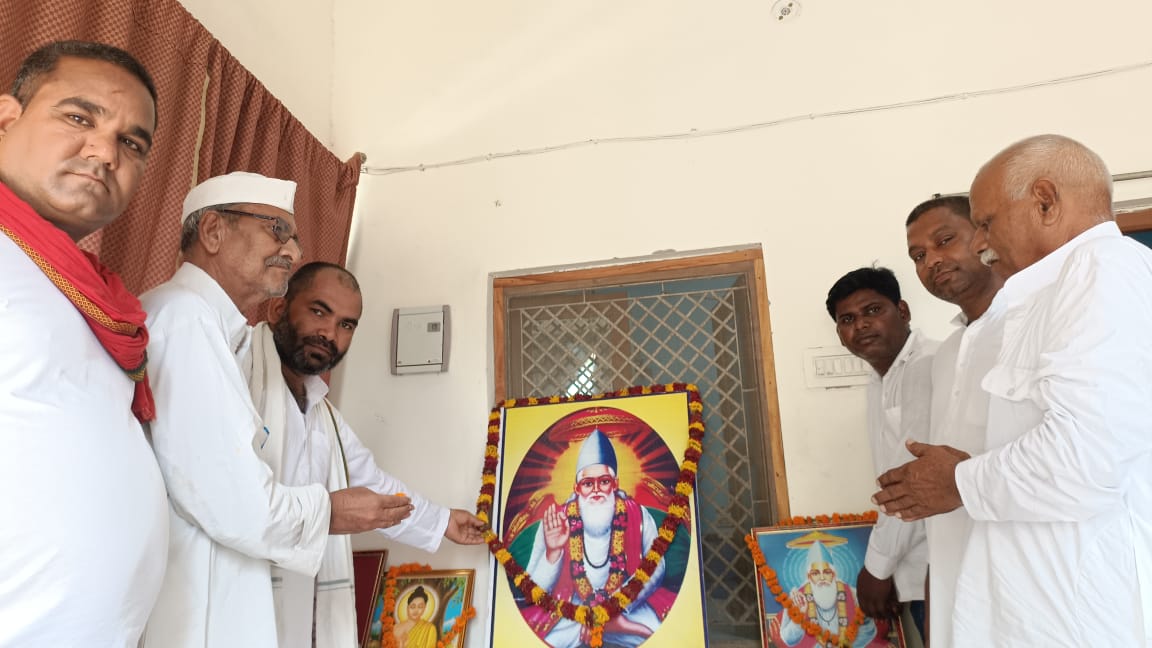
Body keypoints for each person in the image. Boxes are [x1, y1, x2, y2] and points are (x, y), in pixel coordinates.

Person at [874, 135, 1152, 646]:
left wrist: (958, 481)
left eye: (985, 222)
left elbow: (1087, 456)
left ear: (1044, 201)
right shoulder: (1057, 290)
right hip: (1029, 603)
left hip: (1077, 614)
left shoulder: (1102, 272)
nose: (981, 241)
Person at [141, 172, 415, 647]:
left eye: (294, 239)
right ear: (213, 232)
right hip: (196, 612)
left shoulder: (217, 330)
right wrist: (328, 511)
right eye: (276, 230)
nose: (292, 252)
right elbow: (235, 501)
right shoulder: (185, 319)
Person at [0, 40, 167, 645]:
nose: (104, 152)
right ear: (6, 118)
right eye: (79, 117)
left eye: (132, 143)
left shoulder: (93, 295)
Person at [251, 261, 485, 645]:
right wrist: (328, 511)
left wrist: (443, 521)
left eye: (346, 324)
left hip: (290, 608)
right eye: (318, 311)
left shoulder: (324, 417)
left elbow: (374, 487)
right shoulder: (238, 376)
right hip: (233, 594)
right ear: (278, 308)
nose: (329, 333)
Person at [904, 195, 1003, 647]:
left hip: (1021, 569)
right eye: (918, 256)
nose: (931, 261)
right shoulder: (946, 354)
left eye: (944, 240)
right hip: (952, 568)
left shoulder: (1029, 329)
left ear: (983, 236)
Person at [824, 267, 933, 640]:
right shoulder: (878, 381)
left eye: (873, 310)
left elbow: (914, 480)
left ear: (902, 311)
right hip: (916, 568)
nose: (861, 325)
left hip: (947, 565)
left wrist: (878, 568)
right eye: (848, 319)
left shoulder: (928, 365)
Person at [524, 429, 673, 647]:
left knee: (662, 636)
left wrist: (614, 608)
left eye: (604, 481)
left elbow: (656, 566)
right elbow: (532, 589)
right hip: (571, 610)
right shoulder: (556, 521)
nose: (596, 490)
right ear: (576, 488)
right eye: (587, 483)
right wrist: (552, 552)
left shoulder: (637, 514)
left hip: (627, 606)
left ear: (615, 483)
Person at [773, 541, 887, 647]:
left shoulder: (853, 594)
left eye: (827, 572)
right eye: (815, 573)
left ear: (834, 574)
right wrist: (800, 615)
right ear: (808, 576)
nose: (822, 578)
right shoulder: (797, 598)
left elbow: (868, 630)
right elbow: (788, 639)